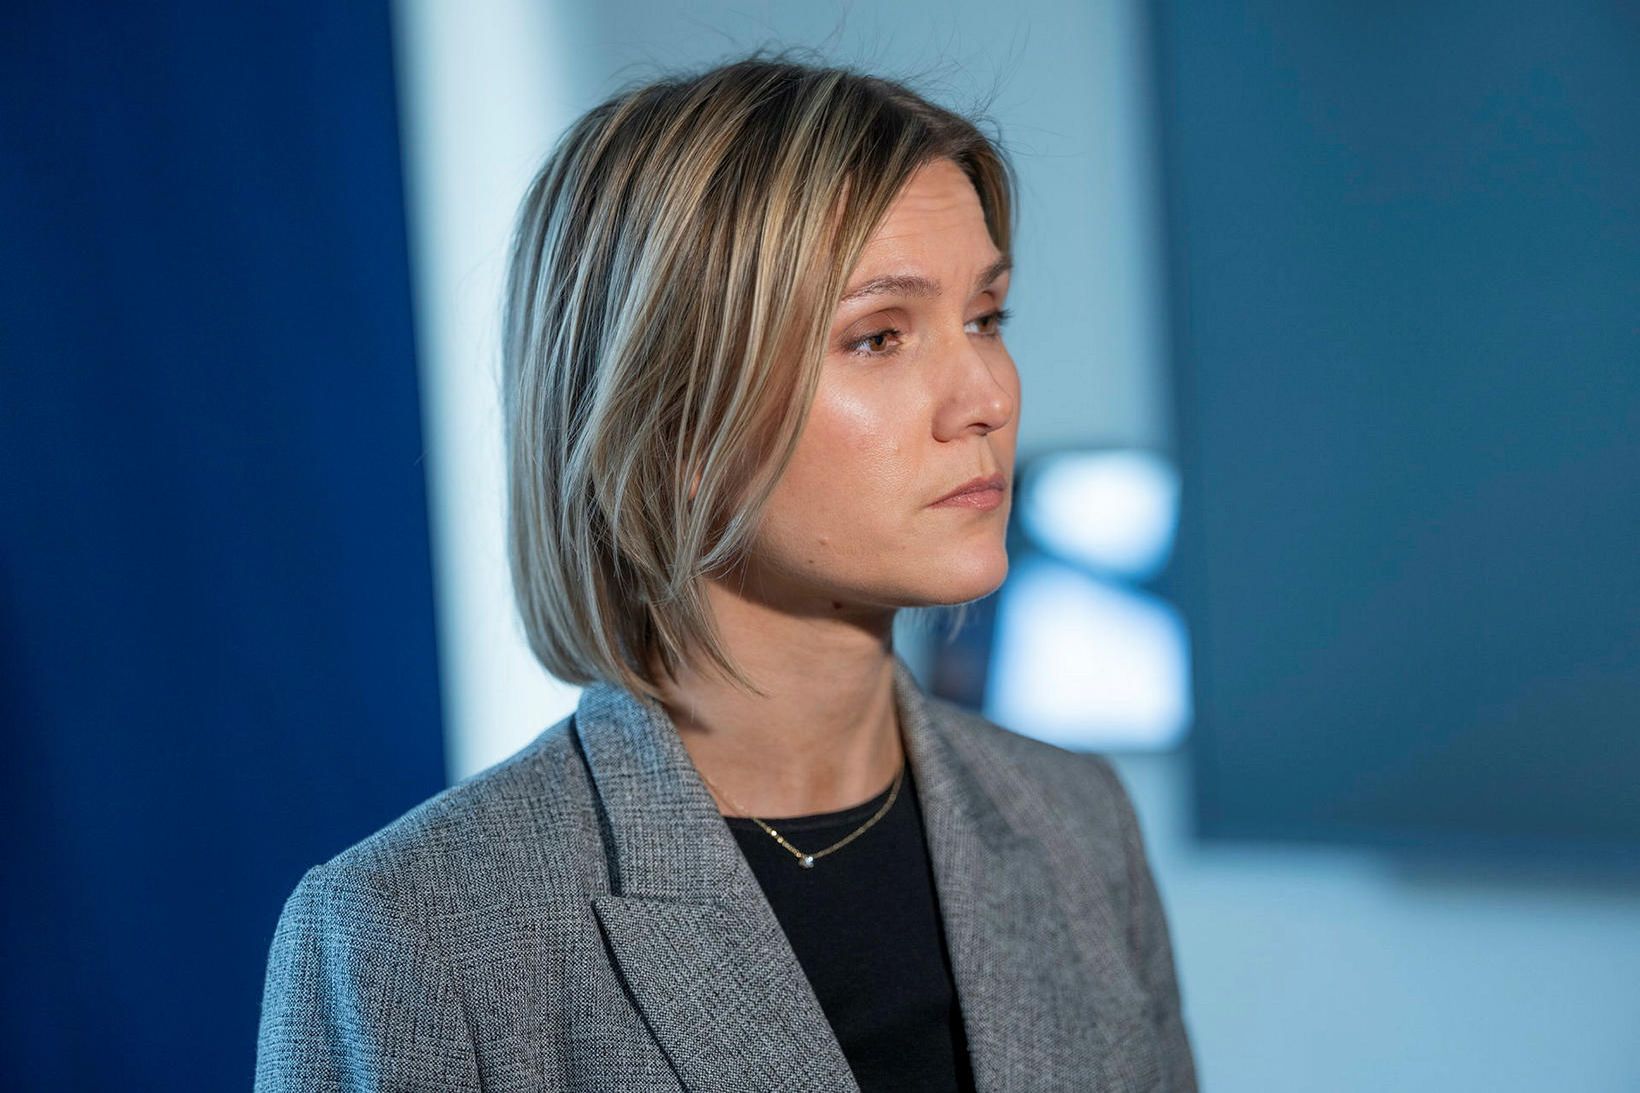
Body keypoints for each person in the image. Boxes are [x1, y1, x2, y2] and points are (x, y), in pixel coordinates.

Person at [254, 49, 1197, 1092]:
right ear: (668, 419)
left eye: (984, 317)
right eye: (878, 337)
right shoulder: (417, 930)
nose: (988, 395)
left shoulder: (1077, 824)